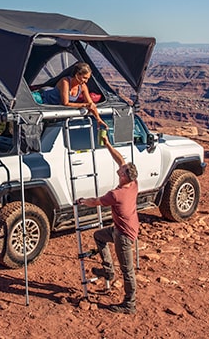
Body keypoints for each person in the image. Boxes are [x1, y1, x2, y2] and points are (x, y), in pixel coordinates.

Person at [78, 131, 139, 314]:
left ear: (123, 176)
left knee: (127, 271)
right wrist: (107, 143)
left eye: (122, 169)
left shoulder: (116, 195)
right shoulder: (133, 184)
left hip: (124, 235)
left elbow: (95, 202)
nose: (120, 167)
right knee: (99, 236)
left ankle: (130, 304)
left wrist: (82, 201)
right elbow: (120, 159)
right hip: (122, 228)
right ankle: (108, 270)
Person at [41, 62, 107, 128]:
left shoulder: (83, 86)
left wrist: (98, 119)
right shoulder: (65, 82)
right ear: (77, 74)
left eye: (88, 79)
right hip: (45, 100)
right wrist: (85, 105)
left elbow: (91, 104)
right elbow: (65, 103)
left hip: (56, 107)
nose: (86, 81)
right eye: (84, 78)